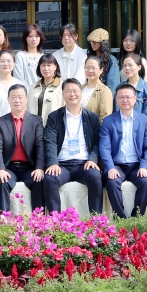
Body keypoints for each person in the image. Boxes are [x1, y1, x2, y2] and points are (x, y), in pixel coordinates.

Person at [42, 78, 104, 215]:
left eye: (75, 91)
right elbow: (50, 142)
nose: (72, 94)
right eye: (68, 91)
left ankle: (96, 219)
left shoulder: (92, 117)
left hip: (84, 164)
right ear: (63, 94)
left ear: (81, 93)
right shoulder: (54, 117)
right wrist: (53, 163)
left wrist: (92, 159)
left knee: (95, 176)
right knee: (50, 179)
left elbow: (97, 142)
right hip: (62, 165)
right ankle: (55, 220)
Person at [99, 83, 147, 218]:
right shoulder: (108, 121)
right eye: (121, 97)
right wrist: (110, 167)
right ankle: (121, 218)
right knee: (112, 181)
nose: (125, 100)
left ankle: (137, 217)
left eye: (128, 97)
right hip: (117, 165)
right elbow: (104, 147)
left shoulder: (144, 120)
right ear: (116, 99)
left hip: (137, 165)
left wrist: (145, 166)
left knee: (145, 181)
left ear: (135, 99)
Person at [0, 84, 46, 212]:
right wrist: (0, 169)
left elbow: (40, 145)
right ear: (8, 99)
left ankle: (38, 219)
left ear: (26, 99)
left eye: (20, 97)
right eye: (13, 97)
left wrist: (39, 168)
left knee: (39, 180)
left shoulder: (36, 121)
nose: (17, 100)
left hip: (29, 167)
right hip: (8, 167)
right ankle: (4, 219)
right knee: (2, 181)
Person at [120, 54, 147, 120]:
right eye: (125, 65)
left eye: (130, 65)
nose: (127, 68)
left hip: (142, 126)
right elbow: (117, 111)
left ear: (139, 67)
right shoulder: (120, 88)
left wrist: (139, 126)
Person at [28, 54, 64, 121]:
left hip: (54, 125)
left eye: (49, 65)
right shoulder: (34, 86)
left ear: (55, 67)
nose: (46, 68)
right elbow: (28, 107)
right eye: (43, 65)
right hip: (34, 125)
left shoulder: (62, 86)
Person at [86, 28, 121, 92]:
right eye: (91, 41)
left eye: (95, 42)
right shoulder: (88, 58)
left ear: (103, 43)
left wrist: (108, 97)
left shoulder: (111, 60)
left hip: (104, 93)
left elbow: (113, 84)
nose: (92, 44)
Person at [81, 56, 114, 121]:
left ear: (101, 70)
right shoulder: (80, 88)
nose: (90, 71)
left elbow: (105, 118)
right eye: (87, 67)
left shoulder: (104, 91)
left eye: (93, 68)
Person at [14, 24, 45, 90]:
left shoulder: (43, 57)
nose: (34, 39)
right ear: (25, 38)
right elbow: (18, 78)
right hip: (24, 93)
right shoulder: (20, 56)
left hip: (40, 92)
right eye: (30, 36)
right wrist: (29, 92)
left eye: (37, 36)